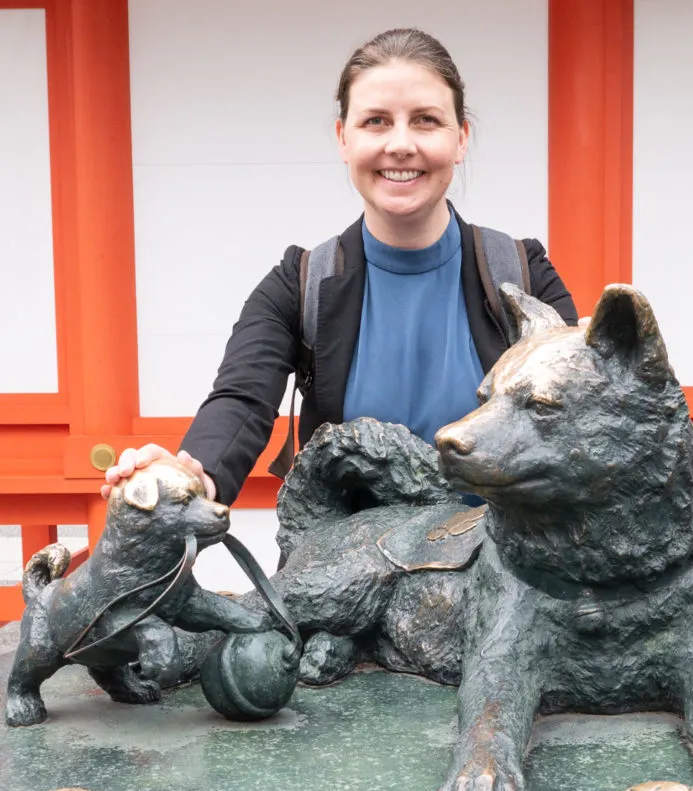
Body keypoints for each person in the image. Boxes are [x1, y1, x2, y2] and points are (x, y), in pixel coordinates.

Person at [103, 27, 577, 506]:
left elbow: (578, 408)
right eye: (375, 121)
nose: (400, 144)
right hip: (343, 572)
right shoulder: (299, 284)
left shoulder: (522, 273)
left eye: (426, 120)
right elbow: (241, 401)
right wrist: (186, 478)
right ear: (343, 138)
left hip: (495, 571)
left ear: (461, 139)